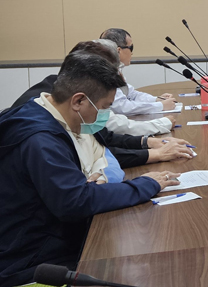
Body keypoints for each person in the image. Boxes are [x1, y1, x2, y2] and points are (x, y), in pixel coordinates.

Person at [0, 50, 180, 287]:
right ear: (78, 101)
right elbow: (75, 202)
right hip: (31, 262)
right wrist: (147, 184)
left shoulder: (39, 112)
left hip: (41, 241)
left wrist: (83, 186)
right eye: (104, 107)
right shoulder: (40, 139)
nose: (104, 116)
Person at [11, 41, 194, 169]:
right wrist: (154, 155)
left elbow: (103, 137)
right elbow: (75, 190)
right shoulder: (45, 121)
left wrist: (149, 142)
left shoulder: (65, 95)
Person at [100, 28, 177, 115]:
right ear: (119, 51)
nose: (132, 53)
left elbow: (132, 95)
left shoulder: (115, 69)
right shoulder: (103, 72)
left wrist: (156, 99)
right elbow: (122, 108)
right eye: (131, 47)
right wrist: (160, 106)